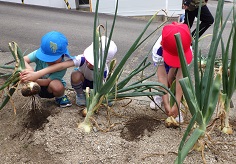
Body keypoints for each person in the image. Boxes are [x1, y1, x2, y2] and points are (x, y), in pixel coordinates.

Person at [21, 36, 117, 107]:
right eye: (89, 59)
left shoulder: (103, 71)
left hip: (97, 84)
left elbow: (100, 84)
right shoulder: (82, 59)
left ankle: (101, 98)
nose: (89, 63)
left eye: (94, 63)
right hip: (83, 81)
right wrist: (33, 73)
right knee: (75, 74)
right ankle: (80, 95)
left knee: (101, 95)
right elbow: (62, 65)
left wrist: (97, 99)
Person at [150, 22, 193, 123]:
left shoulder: (188, 49)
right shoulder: (158, 49)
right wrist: (166, 104)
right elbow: (162, 77)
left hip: (178, 55)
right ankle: (160, 96)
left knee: (173, 77)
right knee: (166, 77)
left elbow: (181, 78)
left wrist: (177, 103)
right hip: (165, 55)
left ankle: (177, 108)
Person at [22, 31, 73, 108]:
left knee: (57, 86)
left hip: (49, 89)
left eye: (53, 59)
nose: (50, 61)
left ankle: (60, 97)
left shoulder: (62, 66)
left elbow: (47, 81)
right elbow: (22, 60)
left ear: (62, 55)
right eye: (47, 58)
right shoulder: (38, 54)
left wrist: (33, 79)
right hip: (37, 85)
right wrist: (29, 69)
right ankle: (35, 96)